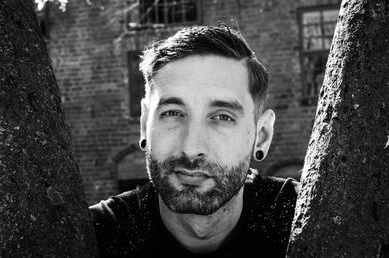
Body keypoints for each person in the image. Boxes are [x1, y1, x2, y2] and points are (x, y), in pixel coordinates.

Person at [89, 25, 299, 257]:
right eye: (173, 113)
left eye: (222, 117)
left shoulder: (306, 218)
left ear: (262, 136)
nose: (191, 149)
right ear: (144, 124)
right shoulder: (94, 236)